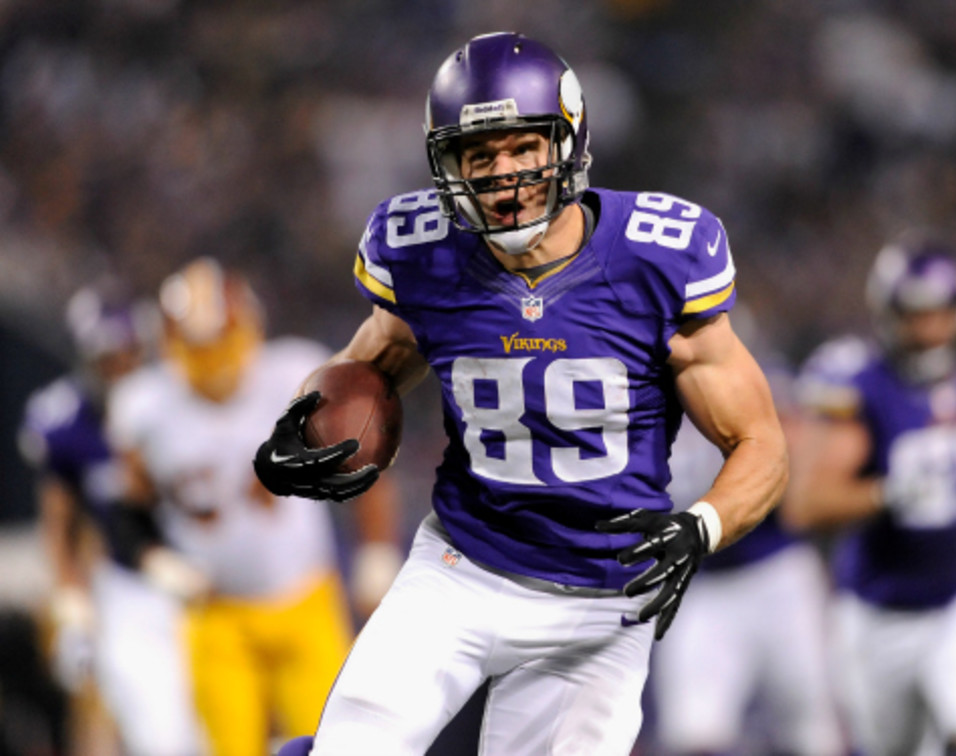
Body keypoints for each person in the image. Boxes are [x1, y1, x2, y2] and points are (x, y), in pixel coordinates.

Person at [253, 31, 788, 756]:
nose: (504, 176)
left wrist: (703, 526)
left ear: (567, 143)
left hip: (601, 591)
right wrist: (305, 424)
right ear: (450, 167)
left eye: (522, 149)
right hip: (462, 564)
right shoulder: (423, 253)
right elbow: (370, 366)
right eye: (480, 156)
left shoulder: (657, 259)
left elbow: (759, 443)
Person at [784, 234, 956, 756]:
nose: (927, 329)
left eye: (938, 312)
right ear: (887, 313)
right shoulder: (862, 382)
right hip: (881, 610)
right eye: (913, 314)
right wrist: (884, 494)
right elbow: (805, 504)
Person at [105, 257, 403, 756]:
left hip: (305, 603)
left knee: (337, 743)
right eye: (199, 346)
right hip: (216, 617)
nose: (214, 358)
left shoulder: (294, 377)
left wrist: (376, 549)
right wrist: (155, 560)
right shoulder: (145, 408)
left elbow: (362, 460)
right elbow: (126, 509)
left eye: (222, 338)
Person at [17, 281, 204, 756]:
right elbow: (62, 524)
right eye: (106, 357)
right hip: (132, 588)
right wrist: (72, 605)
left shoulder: (181, 397)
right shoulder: (67, 420)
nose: (119, 366)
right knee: (164, 739)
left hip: (210, 577)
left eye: (126, 353)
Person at [651, 390, 846, 755]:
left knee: (811, 726)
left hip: (776, 571)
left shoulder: (728, 375)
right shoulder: (630, 395)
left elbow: (796, 438)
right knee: (693, 733)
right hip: (698, 585)